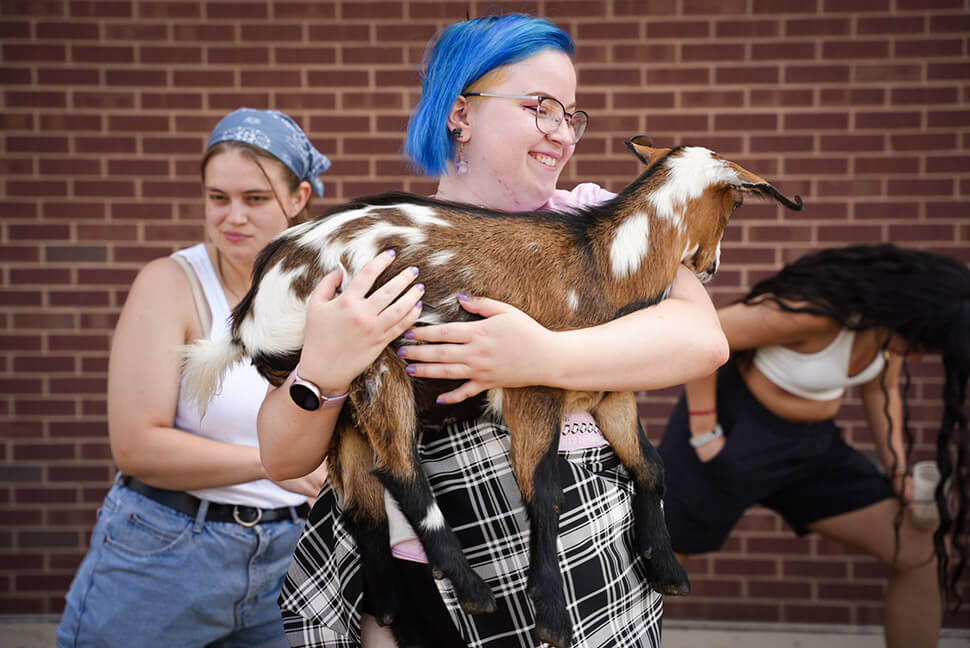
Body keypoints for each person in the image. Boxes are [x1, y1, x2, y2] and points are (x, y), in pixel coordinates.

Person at [258, 14, 729, 648]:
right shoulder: (377, 247)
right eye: (541, 107)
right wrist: (324, 372)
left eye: (570, 115)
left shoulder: (597, 219)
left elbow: (703, 341)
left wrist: (541, 355)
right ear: (460, 113)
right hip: (421, 579)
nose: (562, 133)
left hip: (580, 563)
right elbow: (282, 456)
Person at [57, 108, 337, 648]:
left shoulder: (325, 293)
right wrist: (278, 460)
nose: (232, 217)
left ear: (299, 198)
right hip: (166, 555)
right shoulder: (171, 282)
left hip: (293, 558)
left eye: (255, 199)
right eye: (217, 198)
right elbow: (137, 447)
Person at [659, 244, 969, 648]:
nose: (922, 356)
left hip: (812, 449)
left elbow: (882, 391)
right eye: (925, 345)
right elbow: (707, 334)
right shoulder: (815, 312)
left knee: (924, 552)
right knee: (659, 569)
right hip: (728, 436)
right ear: (910, 316)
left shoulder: (889, 332)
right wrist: (704, 431)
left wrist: (898, 471)